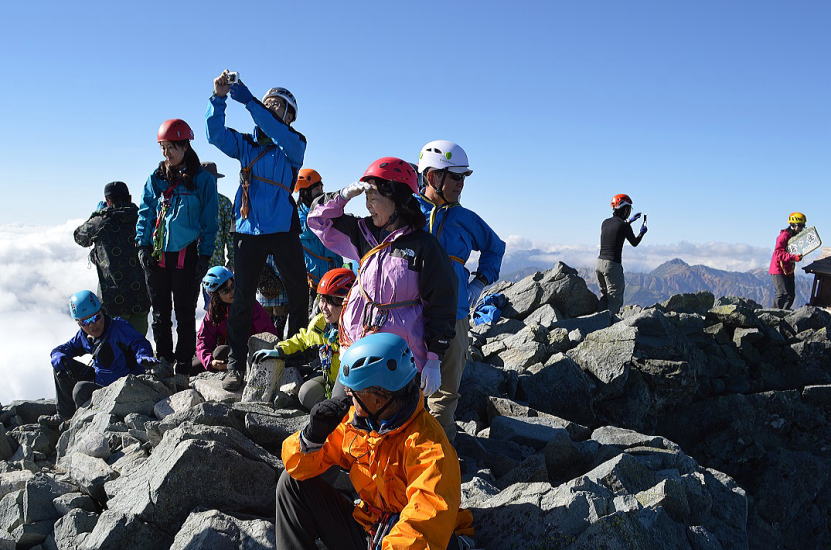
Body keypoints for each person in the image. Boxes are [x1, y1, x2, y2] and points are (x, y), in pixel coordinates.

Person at [277, 332, 474, 550]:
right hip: (372, 528)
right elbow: (298, 467)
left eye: (354, 391)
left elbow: (423, 524)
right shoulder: (361, 423)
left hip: (411, 542)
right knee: (292, 483)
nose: (348, 396)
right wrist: (311, 437)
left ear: (379, 395)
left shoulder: (428, 447)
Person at [307, 157, 457, 400]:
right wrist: (344, 194)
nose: (368, 206)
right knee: (338, 417)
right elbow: (317, 219)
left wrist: (434, 359)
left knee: (392, 430)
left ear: (397, 200)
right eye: (366, 198)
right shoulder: (364, 234)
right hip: (357, 350)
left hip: (399, 360)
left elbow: (441, 304)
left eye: (373, 198)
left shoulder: (424, 247)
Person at [206, 71, 309, 391]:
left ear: (290, 115)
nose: (270, 107)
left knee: (299, 294)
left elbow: (274, 129)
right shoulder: (247, 145)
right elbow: (214, 134)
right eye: (268, 103)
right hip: (249, 229)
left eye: (277, 104)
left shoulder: (294, 144)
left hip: (280, 228)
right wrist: (219, 98)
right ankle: (236, 366)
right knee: (241, 299)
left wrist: (250, 101)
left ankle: (298, 355)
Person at [415, 140, 505, 441]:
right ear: (432, 177)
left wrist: (479, 283)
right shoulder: (407, 211)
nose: (461, 184)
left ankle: (440, 459)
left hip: (453, 315)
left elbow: (495, 247)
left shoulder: (464, 219)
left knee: (444, 394)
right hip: (409, 313)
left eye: (463, 177)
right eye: (455, 176)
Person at [136, 118, 218, 373]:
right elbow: (146, 211)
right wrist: (142, 245)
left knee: (184, 312)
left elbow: (209, 220)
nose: (166, 153)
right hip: (157, 254)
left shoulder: (202, 180)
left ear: (185, 146)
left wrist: (204, 256)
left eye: (171, 147)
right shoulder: (157, 177)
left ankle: (183, 362)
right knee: (160, 313)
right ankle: (163, 359)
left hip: (187, 254)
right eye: (163, 147)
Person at [45, 291, 157, 424]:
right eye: (85, 322)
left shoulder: (119, 327)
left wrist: (143, 355)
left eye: (96, 318)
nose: (92, 325)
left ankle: (83, 422)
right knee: (61, 367)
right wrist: (56, 354)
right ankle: (65, 417)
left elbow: (139, 343)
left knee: (80, 390)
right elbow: (62, 350)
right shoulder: (82, 336)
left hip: (123, 386)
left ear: (102, 312)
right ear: (79, 323)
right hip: (99, 381)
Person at [252, 267, 356, 410]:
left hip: (354, 384)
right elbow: (303, 339)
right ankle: (333, 408)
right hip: (330, 381)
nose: (323, 307)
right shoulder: (321, 324)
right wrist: (279, 350)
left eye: (331, 301)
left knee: (337, 405)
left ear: (348, 302)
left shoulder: (358, 329)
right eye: (321, 299)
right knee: (306, 394)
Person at [73, 181, 151, 335]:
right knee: (138, 342)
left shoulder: (100, 221)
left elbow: (79, 237)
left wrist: (97, 214)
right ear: (130, 197)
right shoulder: (143, 218)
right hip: (141, 295)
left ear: (107, 201)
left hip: (113, 299)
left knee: (116, 346)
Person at [194, 266, 278, 375]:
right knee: (197, 365)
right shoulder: (214, 313)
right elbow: (203, 340)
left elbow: (269, 333)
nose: (232, 292)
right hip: (229, 354)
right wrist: (210, 361)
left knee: (220, 352)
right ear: (215, 295)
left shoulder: (251, 306)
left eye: (233, 286)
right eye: (226, 290)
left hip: (251, 354)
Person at [294, 169, 343, 305]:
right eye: (316, 188)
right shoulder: (298, 217)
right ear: (305, 192)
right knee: (313, 321)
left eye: (321, 186)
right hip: (313, 283)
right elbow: (311, 228)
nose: (321, 191)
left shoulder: (323, 212)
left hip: (332, 278)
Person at [596, 193, 647, 315]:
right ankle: (609, 327)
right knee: (614, 299)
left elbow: (616, 227)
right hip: (612, 266)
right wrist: (642, 233)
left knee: (605, 296)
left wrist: (629, 221)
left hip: (599, 264)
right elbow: (634, 242)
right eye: (629, 209)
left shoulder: (605, 222)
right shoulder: (624, 226)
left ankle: (597, 322)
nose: (629, 212)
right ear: (624, 209)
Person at [201, 162, 235, 310]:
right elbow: (231, 237)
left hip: (211, 268)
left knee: (214, 306)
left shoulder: (223, 203)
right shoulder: (223, 203)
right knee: (213, 306)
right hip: (202, 266)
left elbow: (231, 236)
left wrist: (232, 262)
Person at [769, 212, 806, 309]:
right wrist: (794, 257)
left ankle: (783, 314)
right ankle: (772, 316)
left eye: (803, 225)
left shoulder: (795, 237)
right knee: (782, 294)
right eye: (800, 225)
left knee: (790, 295)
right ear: (793, 225)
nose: (802, 228)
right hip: (778, 269)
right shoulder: (784, 236)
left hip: (788, 269)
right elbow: (778, 253)